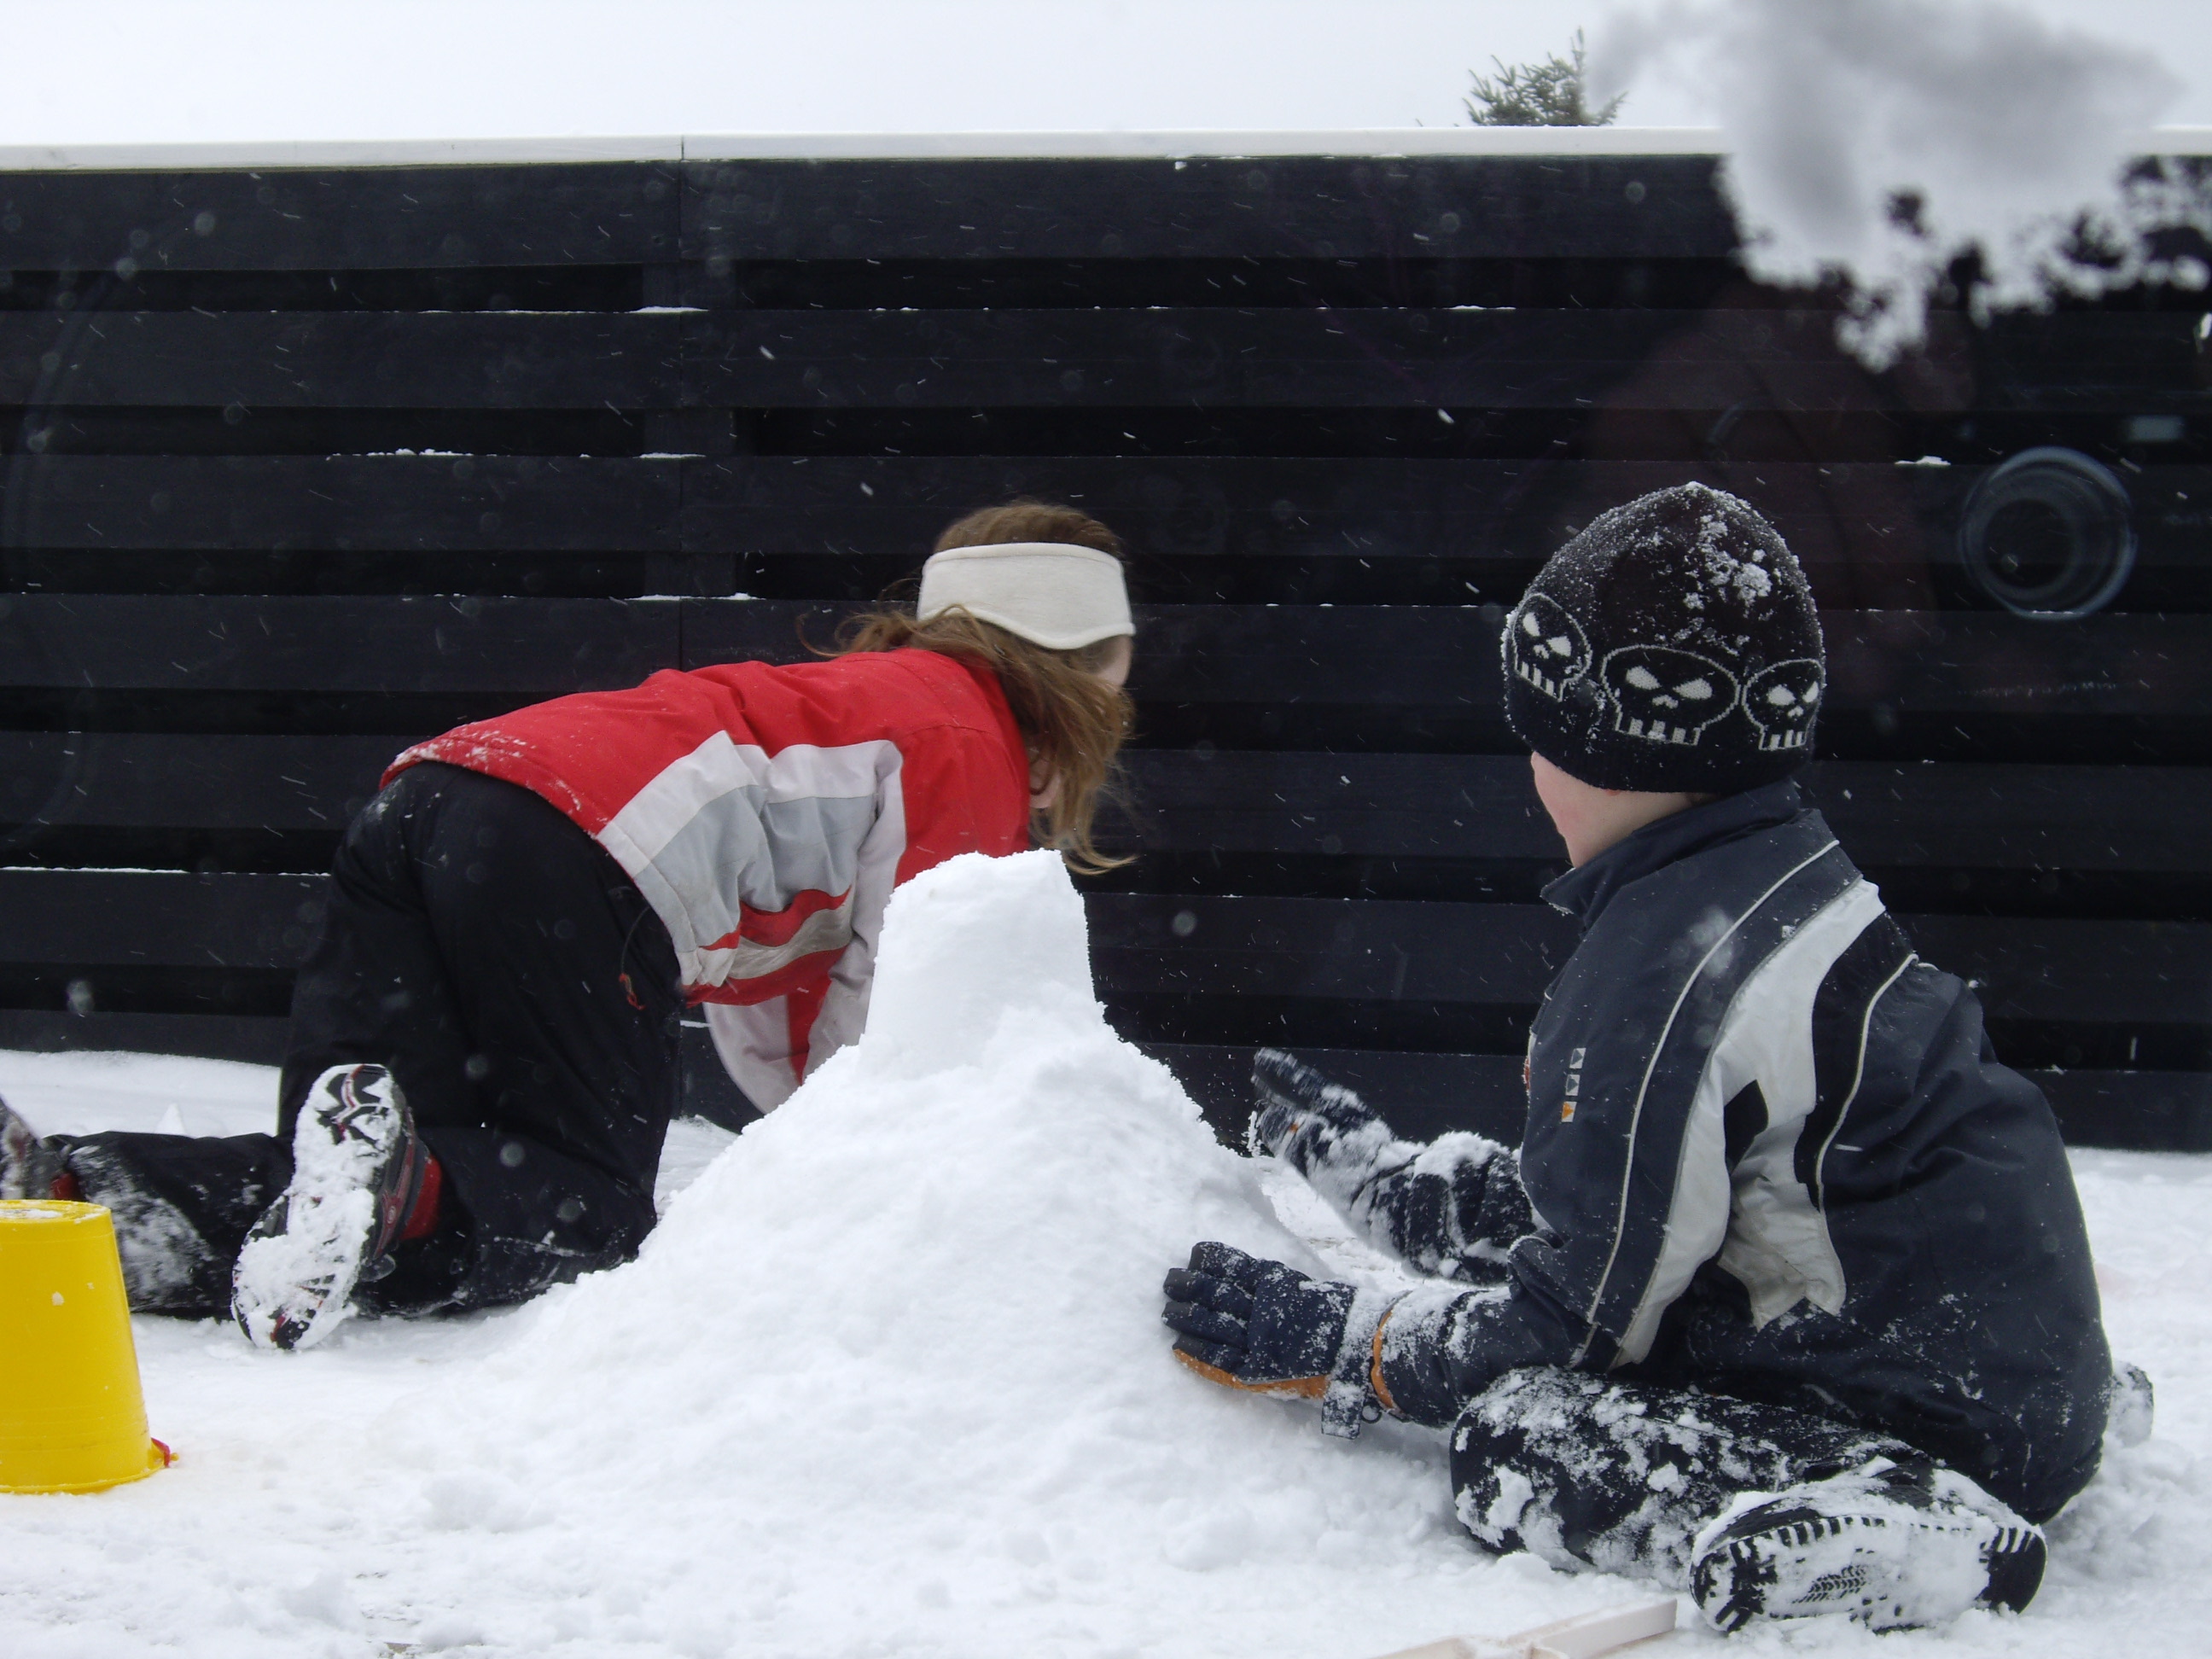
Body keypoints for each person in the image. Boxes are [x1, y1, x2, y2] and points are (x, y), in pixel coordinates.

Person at [1160, 484, 2124, 1633]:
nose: (1526, 769)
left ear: (1605, 745)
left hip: (1922, 1418)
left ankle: (1917, 1522)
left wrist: (1358, 1347)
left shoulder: (1659, 985)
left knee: (1515, 1437)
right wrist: (1393, 1188)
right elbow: (1637, 1200)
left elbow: (1581, 1321)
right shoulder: (1776, 877)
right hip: (2009, 1375)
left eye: (1537, 735)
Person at [0, 500, 1137, 1352]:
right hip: (567, 848)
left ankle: (69, 1195)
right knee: (581, 1220)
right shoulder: (966, 739)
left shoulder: (867, 699)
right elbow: (894, 1024)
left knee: (348, 1186)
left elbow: (796, 1011)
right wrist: (868, 1177)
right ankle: (398, 1189)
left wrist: (814, 1147)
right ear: (1094, 666)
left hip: (429, 801)